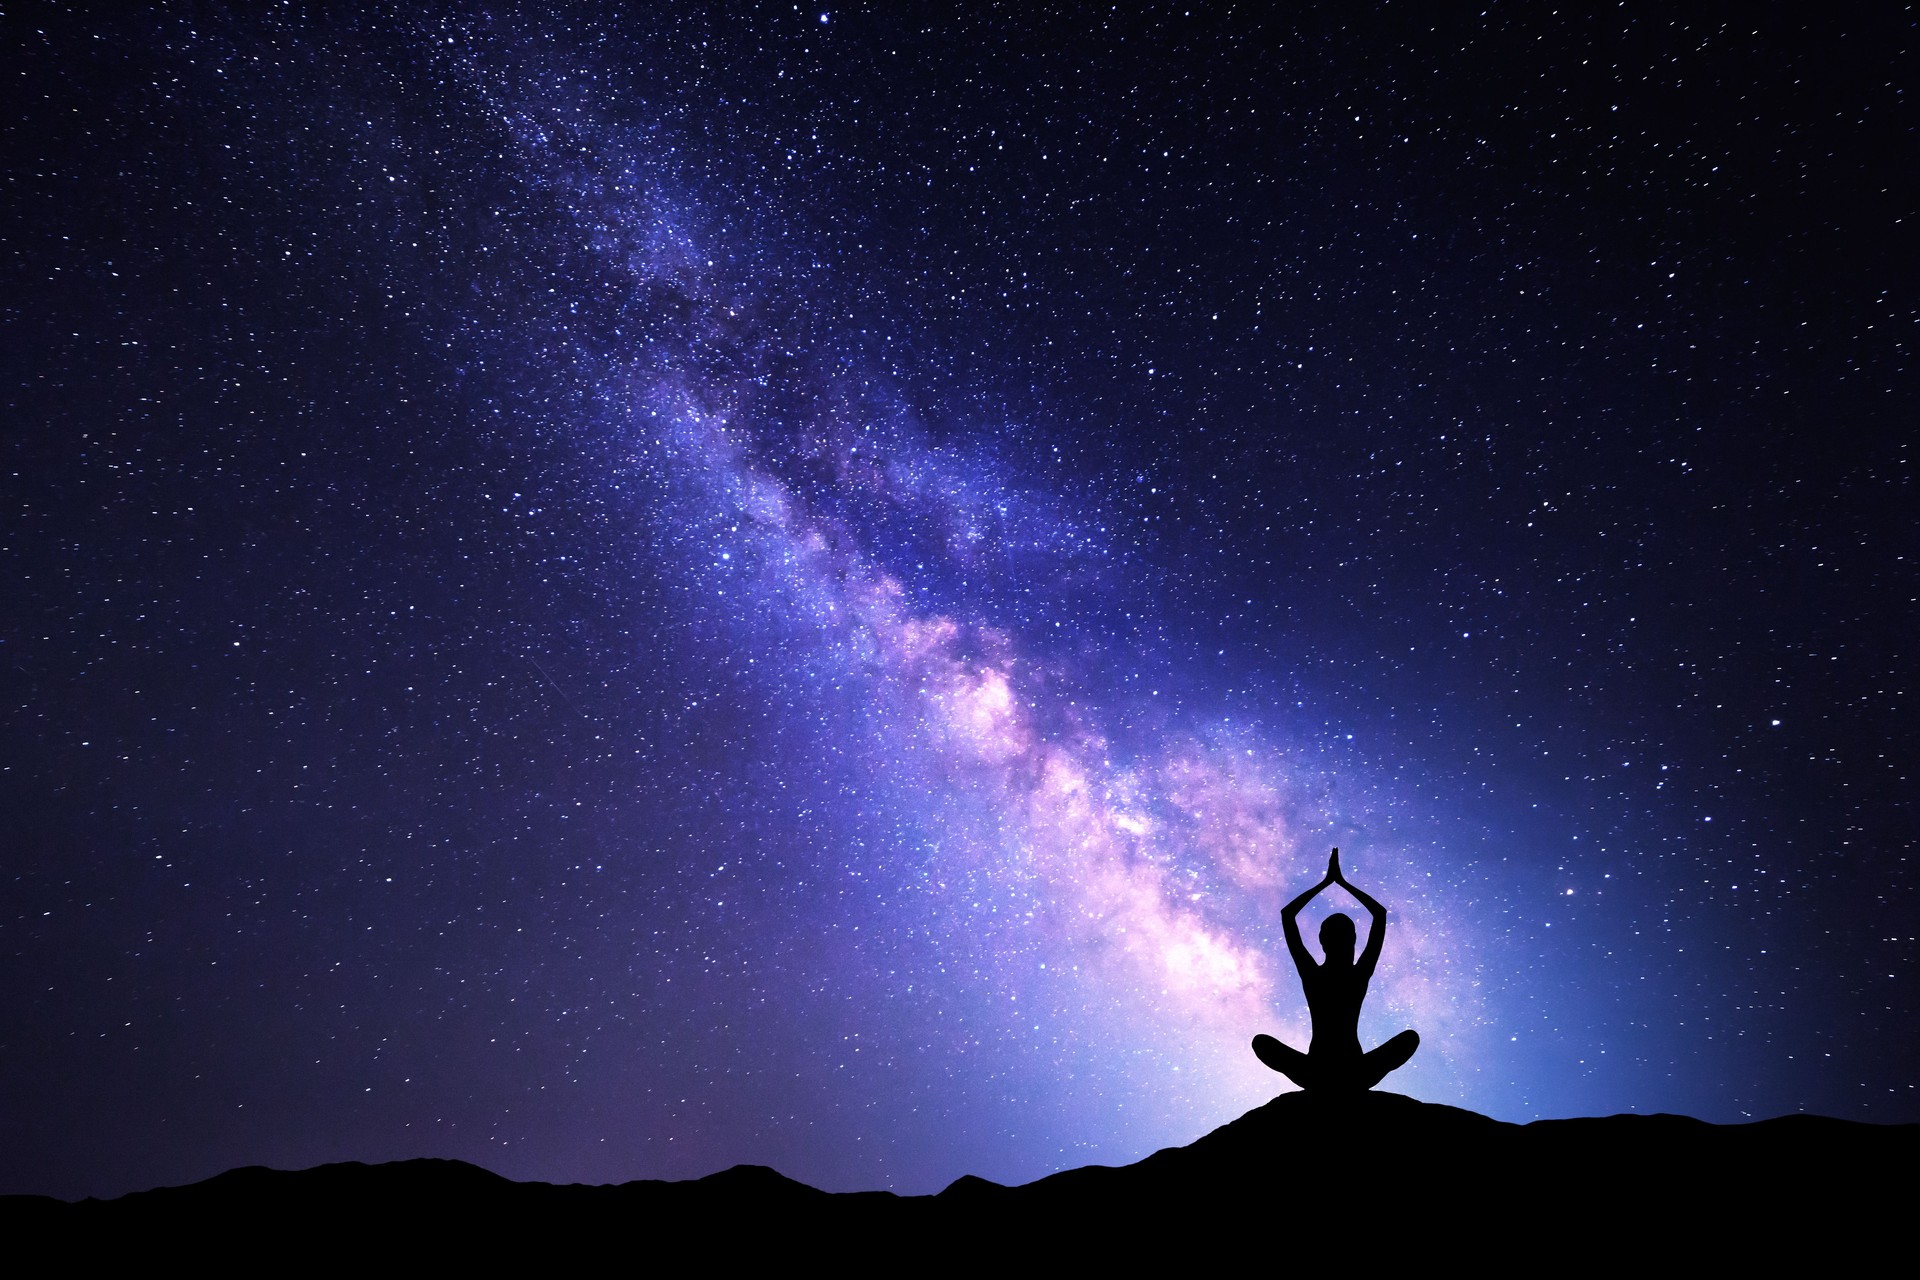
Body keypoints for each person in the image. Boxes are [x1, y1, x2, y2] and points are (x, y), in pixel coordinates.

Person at [1253, 848, 1419, 1092]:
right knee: (1262, 1043)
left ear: (1351, 940)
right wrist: (1331, 882)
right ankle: (1337, 1082)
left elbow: (1380, 915)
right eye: (1337, 936)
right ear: (1324, 941)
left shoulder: (1352, 973)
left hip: (1349, 1069)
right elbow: (1287, 916)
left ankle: (1337, 1082)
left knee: (1409, 1038)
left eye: (1346, 936)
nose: (1344, 941)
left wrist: (1336, 882)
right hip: (1322, 1069)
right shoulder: (1320, 973)